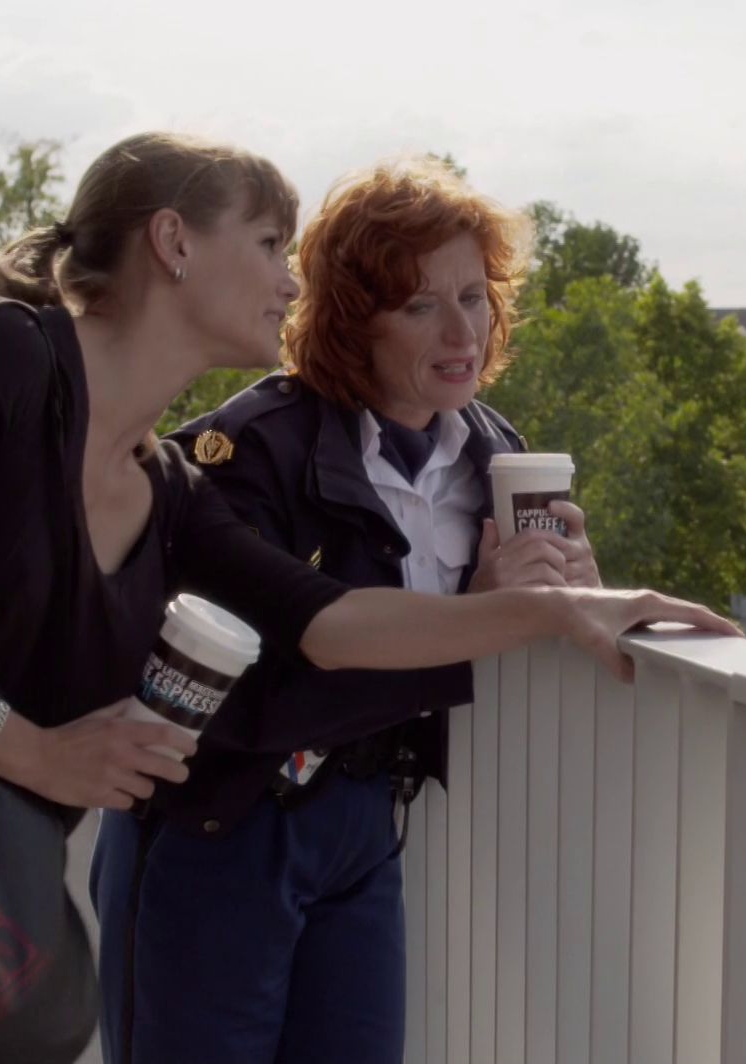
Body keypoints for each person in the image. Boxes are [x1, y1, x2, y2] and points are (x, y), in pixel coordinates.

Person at [0, 132, 733, 1064]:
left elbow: (330, 625)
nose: (293, 279)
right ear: (174, 242)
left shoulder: (167, 487)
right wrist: (33, 752)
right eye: (269, 242)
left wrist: (565, 607)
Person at [92, 158, 600, 1064]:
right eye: (420, 305)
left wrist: (573, 587)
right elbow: (229, 696)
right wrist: (480, 621)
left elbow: (519, 617)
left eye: (475, 298)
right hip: (222, 824)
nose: (462, 332)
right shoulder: (249, 453)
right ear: (352, 317)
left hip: (367, 821)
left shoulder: (495, 457)